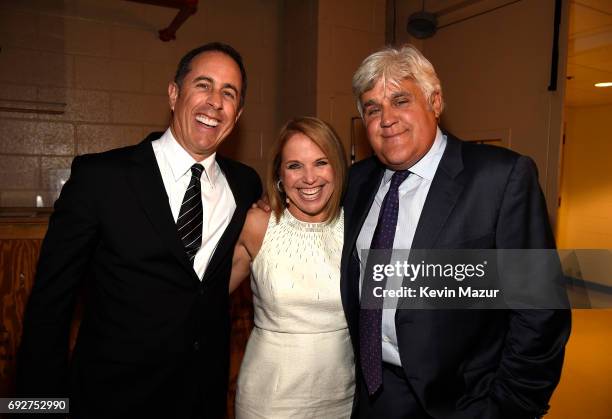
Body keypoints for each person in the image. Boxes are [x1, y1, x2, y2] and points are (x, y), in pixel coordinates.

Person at [17, 42, 262, 418]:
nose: (215, 101)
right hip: (109, 401)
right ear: (173, 93)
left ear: (238, 112)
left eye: (228, 93)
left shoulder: (246, 186)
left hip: (201, 400)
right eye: (203, 85)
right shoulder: (100, 180)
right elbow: (48, 309)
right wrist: (36, 409)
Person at [341, 44, 571, 418]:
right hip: (372, 394)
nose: (386, 119)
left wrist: (509, 408)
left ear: (435, 102)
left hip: (464, 403)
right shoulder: (357, 182)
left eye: (401, 100)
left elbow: (541, 314)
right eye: (372, 108)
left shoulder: (501, 178)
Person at [230, 117, 354, 418]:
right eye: (295, 165)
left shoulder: (358, 227)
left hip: (344, 398)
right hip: (270, 400)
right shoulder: (258, 225)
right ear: (279, 176)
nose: (309, 178)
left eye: (321, 162)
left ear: (337, 168)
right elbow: (201, 298)